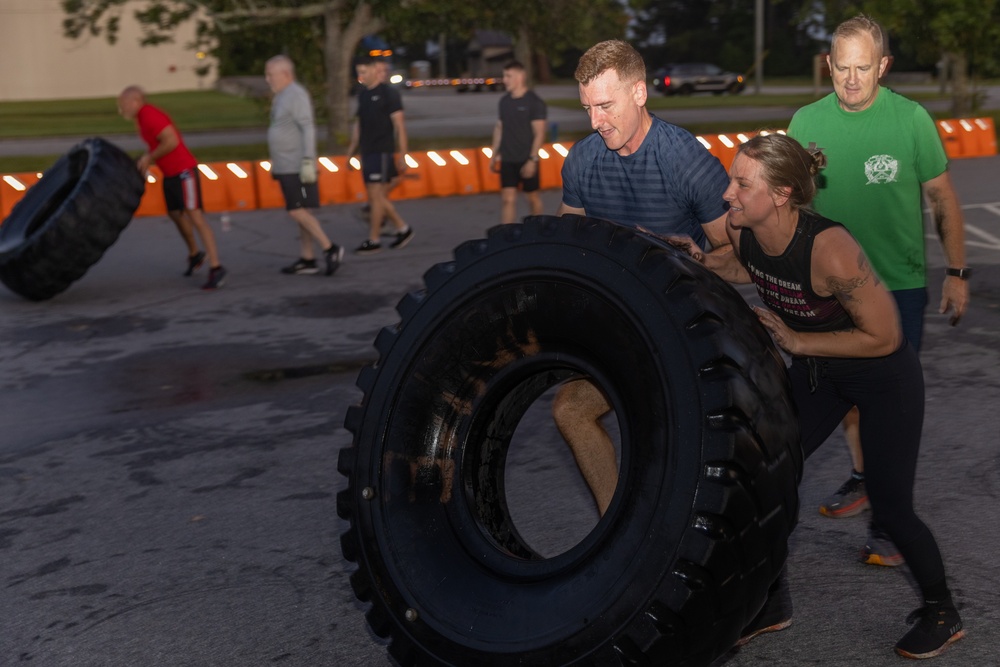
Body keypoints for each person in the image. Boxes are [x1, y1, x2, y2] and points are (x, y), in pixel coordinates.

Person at [671, 133, 963, 660]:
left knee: (893, 509)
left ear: (781, 194)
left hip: (882, 378)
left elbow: (885, 336)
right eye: (731, 180)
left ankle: (942, 611)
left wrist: (796, 338)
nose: (726, 195)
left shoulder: (831, 248)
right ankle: (771, 601)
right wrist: (703, 260)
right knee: (761, 480)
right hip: (821, 374)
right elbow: (747, 267)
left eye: (741, 183)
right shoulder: (746, 232)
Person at [787, 15, 969, 566]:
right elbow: (788, 204)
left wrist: (957, 273)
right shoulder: (805, 122)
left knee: (890, 410)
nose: (850, 79)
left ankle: (889, 522)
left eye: (862, 68)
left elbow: (942, 199)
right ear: (829, 65)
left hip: (898, 287)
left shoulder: (911, 120)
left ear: (883, 66)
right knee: (841, 399)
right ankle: (865, 477)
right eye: (841, 67)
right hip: (828, 290)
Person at [552, 40, 731, 515]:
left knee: (668, 438)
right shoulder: (583, 161)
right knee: (570, 410)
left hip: (687, 330)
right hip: (625, 325)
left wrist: (697, 260)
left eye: (606, 106)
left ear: (639, 93)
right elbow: (569, 251)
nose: (596, 121)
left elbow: (741, 259)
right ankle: (620, 532)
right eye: (587, 108)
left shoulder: (687, 161)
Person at [117, 86, 226, 290]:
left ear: (135, 101)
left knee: (195, 217)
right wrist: (145, 158)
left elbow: (172, 141)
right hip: (170, 174)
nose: (120, 108)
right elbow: (157, 144)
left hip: (184, 172)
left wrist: (149, 157)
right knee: (175, 214)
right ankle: (195, 254)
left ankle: (216, 267)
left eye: (122, 104)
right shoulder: (142, 118)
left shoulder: (149, 114)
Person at [264, 54, 344, 276]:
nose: (267, 79)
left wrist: (309, 161)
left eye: (270, 74)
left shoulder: (296, 94)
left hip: (296, 165)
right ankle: (307, 258)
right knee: (302, 211)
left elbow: (308, 128)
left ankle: (330, 248)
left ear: (286, 74)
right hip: (284, 164)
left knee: (296, 211)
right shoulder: (281, 96)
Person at [346, 55, 414, 254]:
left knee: (376, 196)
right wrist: (351, 151)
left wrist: (403, 154)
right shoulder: (362, 94)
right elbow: (359, 126)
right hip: (367, 152)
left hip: (382, 151)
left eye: (364, 72)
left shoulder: (389, 94)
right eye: (358, 72)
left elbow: (399, 126)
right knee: (375, 197)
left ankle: (374, 239)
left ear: (375, 70)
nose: (361, 76)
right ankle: (402, 229)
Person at [489, 60, 547, 224]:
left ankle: (538, 232)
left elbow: (539, 133)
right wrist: (494, 154)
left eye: (508, 76)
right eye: (504, 76)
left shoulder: (534, 102)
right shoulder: (504, 101)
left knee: (532, 198)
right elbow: (499, 128)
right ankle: (505, 237)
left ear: (521, 77)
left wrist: (532, 160)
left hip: (526, 158)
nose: (505, 80)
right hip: (508, 159)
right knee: (507, 199)